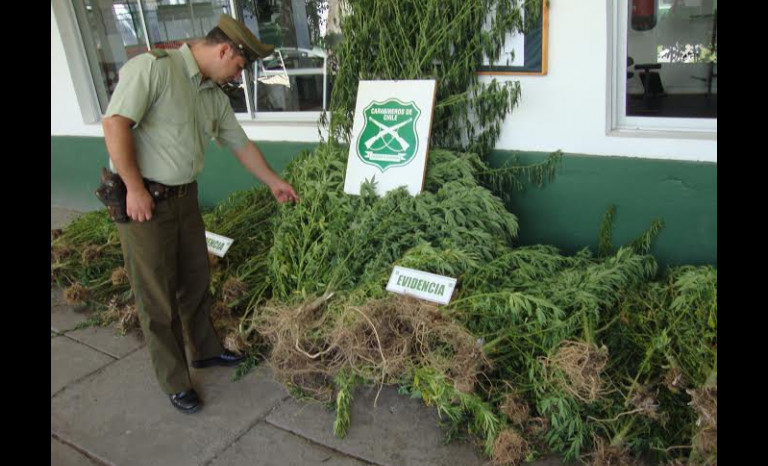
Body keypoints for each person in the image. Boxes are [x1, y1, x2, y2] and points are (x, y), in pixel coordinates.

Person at [101, 14, 299, 414]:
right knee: (157, 297)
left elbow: (240, 144)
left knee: (195, 281)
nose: (236, 76)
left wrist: (273, 181)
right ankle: (175, 381)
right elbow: (115, 123)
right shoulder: (155, 69)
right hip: (145, 203)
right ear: (225, 49)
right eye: (238, 67)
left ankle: (205, 351)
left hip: (184, 199)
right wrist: (135, 189)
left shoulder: (211, 94)